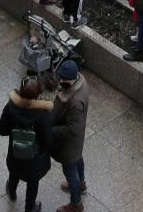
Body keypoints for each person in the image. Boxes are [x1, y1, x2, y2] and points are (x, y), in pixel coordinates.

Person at [0, 75, 54, 212]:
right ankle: (30, 207)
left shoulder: (11, 107)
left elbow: (2, 130)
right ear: (38, 93)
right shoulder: (43, 114)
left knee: (14, 174)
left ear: (21, 91)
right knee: (32, 183)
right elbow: (47, 142)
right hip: (34, 161)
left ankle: (11, 191)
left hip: (15, 155)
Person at [49, 59, 89, 212]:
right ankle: (82, 183)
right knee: (78, 158)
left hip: (69, 143)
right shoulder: (81, 81)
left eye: (65, 80)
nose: (61, 81)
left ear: (73, 79)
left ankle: (76, 203)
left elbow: (72, 129)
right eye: (61, 78)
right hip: (76, 142)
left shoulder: (74, 103)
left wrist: (52, 130)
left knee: (70, 170)